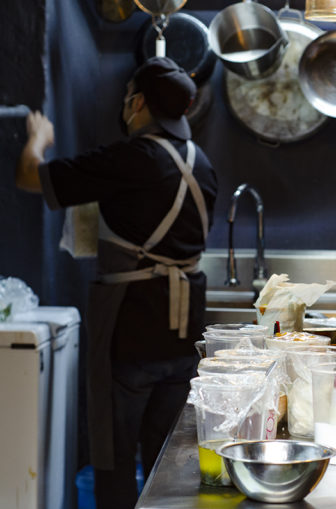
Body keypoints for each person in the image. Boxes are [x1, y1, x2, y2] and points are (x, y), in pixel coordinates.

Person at [16, 57, 217, 509]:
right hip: (182, 337)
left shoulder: (133, 156)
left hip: (129, 328)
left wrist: (38, 139)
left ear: (138, 101)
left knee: (113, 458)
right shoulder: (203, 164)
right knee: (168, 461)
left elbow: (31, 177)